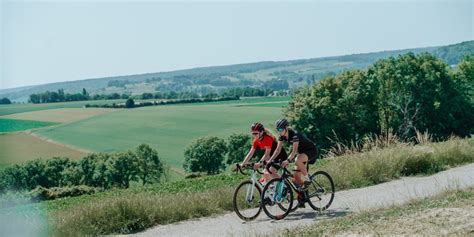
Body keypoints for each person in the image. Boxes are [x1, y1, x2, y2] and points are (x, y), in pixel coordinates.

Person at [269, 118, 318, 207]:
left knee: (297, 160)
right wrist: (270, 160)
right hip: (301, 153)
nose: (279, 131)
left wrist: (287, 160)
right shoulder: (282, 136)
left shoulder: (295, 135)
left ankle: (307, 178)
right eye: (278, 130)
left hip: (311, 150)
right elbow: (277, 150)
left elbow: (294, 151)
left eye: (280, 129)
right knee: (295, 178)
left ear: (286, 128)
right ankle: (303, 198)